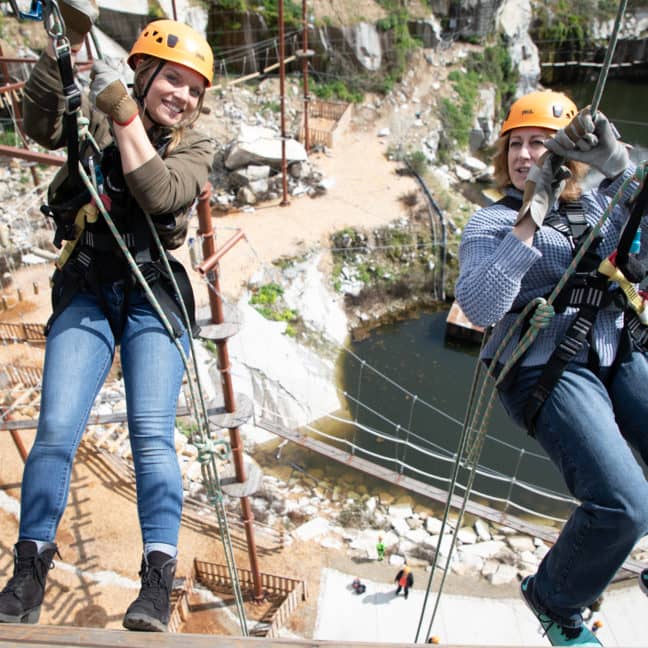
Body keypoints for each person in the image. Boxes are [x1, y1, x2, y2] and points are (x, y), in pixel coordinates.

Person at [0, 2, 214, 633]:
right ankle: (29, 568)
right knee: (57, 429)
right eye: (172, 78)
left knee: (151, 435)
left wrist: (122, 110)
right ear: (143, 70)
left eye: (195, 89)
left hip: (153, 292)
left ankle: (155, 581)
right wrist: (62, 42)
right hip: (90, 283)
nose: (183, 96)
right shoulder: (95, 109)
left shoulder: (195, 142)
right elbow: (39, 123)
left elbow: (161, 192)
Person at [456, 89, 648, 646]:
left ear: (568, 157)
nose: (523, 154)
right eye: (515, 143)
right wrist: (527, 224)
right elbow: (481, 306)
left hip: (615, 348)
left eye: (538, 142)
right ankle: (555, 599)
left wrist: (621, 173)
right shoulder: (490, 221)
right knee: (625, 503)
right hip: (545, 365)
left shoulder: (599, 209)